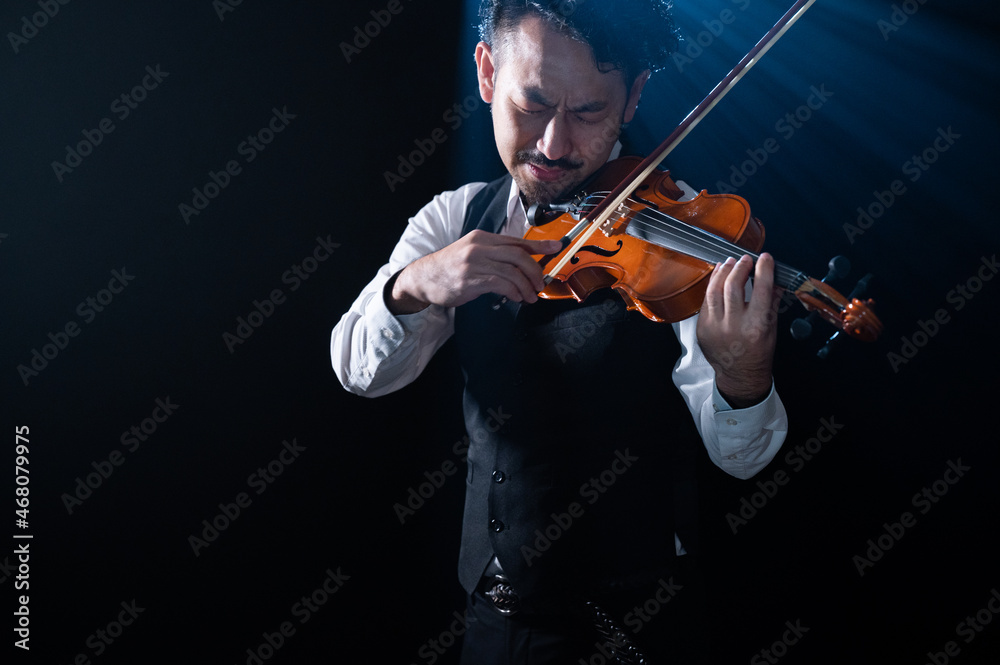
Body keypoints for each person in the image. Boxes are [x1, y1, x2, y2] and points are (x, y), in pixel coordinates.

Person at [331, 1, 787, 662]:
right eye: (534, 103)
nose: (553, 145)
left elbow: (743, 456)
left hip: (632, 624)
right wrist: (413, 285)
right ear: (488, 73)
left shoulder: (685, 234)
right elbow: (359, 372)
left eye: (589, 112)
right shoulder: (455, 217)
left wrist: (744, 375)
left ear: (633, 98)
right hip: (494, 622)